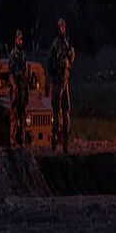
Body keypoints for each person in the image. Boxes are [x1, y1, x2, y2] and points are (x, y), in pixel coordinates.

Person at [47, 18, 76, 153]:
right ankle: (54, 142)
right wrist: (54, 77)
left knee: (66, 113)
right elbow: (49, 64)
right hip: (58, 82)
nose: (62, 30)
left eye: (63, 27)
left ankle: (65, 144)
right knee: (56, 114)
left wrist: (70, 58)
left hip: (65, 82)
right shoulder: (55, 45)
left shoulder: (66, 44)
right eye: (60, 28)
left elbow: (70, 61)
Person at [8, 29, 29, 148]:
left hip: (22, 88)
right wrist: (14, 85)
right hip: (16, 89)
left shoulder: (23, 55)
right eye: (18, 39)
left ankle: (22, 140)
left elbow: (26, 70)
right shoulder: (13, 55)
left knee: (23, 116)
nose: (20, 41)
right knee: (14, 117)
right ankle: (13, 140)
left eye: (21, 39)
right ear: (15, 40)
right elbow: (10, 72)